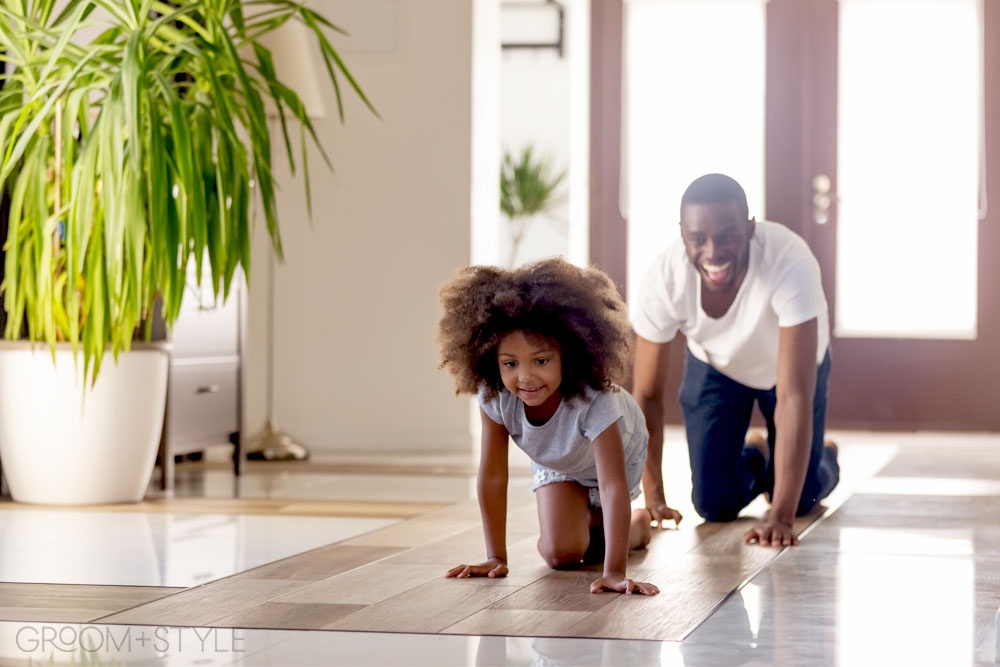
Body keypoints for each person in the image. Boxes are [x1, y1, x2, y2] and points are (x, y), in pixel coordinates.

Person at [437, 258, 682, 595]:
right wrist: (496, 556)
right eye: (510, 363)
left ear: (569, 352)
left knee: (607, 510)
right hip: (558, 456)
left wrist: (614, 572)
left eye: (541, 360)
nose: (525, 378)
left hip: (616, 452)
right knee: (560, 553)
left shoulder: (597, 401)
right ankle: (598, 523)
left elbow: (611, 485)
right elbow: (493, 475)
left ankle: (638, 528)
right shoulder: (496, 395)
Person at [631, 173, 839, 548]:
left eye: (726, 236)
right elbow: (645, 398)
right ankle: (760, 454)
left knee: (800, 497)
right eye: (698, 239)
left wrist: (780, 518)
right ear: (682, 233)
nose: (712, 252)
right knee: (714, 505)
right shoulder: (664, 279)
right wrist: (655, 498)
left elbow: (794, 397)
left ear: (749, 228)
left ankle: (823, 456)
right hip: (716, 366)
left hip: (787, 370)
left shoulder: (789, 260)